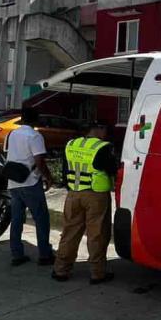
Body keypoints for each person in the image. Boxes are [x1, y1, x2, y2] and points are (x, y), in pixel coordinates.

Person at [52, 120, 117, 284]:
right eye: (105, 129)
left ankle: (61, 269)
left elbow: (65, 170)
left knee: (70, 233)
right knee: (97, 234)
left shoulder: (71, 144)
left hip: (74, 194)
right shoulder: (103, 147)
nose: (106, 133)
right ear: (97, 129)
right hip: (96, 196)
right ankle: (97, 273)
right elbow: (112, 169)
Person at [6, 106, 55, 267]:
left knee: (17, 219)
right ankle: (45, 254)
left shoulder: (13, 133)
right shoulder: (35, 136)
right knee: (41, 219)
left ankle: (16, 254)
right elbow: (39, 161)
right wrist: (48, 177)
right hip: (30, 181)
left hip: (13, 180)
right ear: (35, 119)